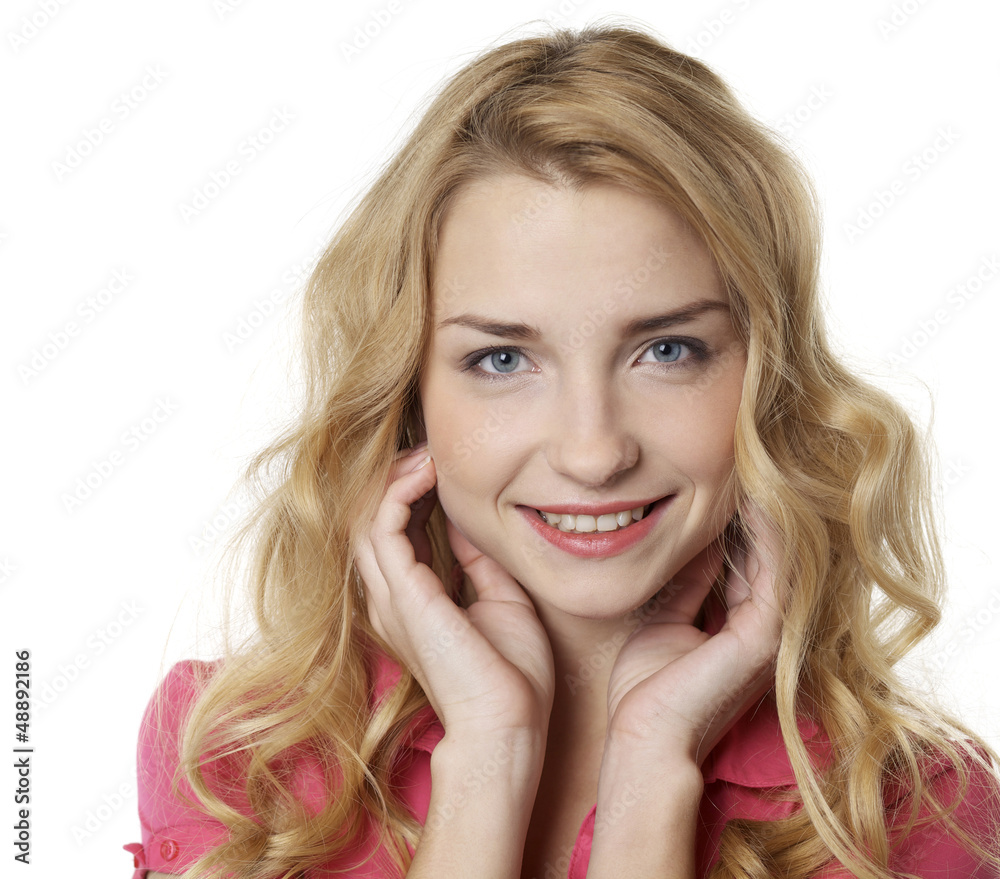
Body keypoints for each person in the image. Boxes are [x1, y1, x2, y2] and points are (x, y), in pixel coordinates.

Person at [125, 21, 1000, 879]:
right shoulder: (241, 758)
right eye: (502, 359)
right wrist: (487, 752)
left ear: (766, 380)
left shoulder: (911, 813)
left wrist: (652, 769)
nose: (593, 452)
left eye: (668, 350)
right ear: (409, 396)